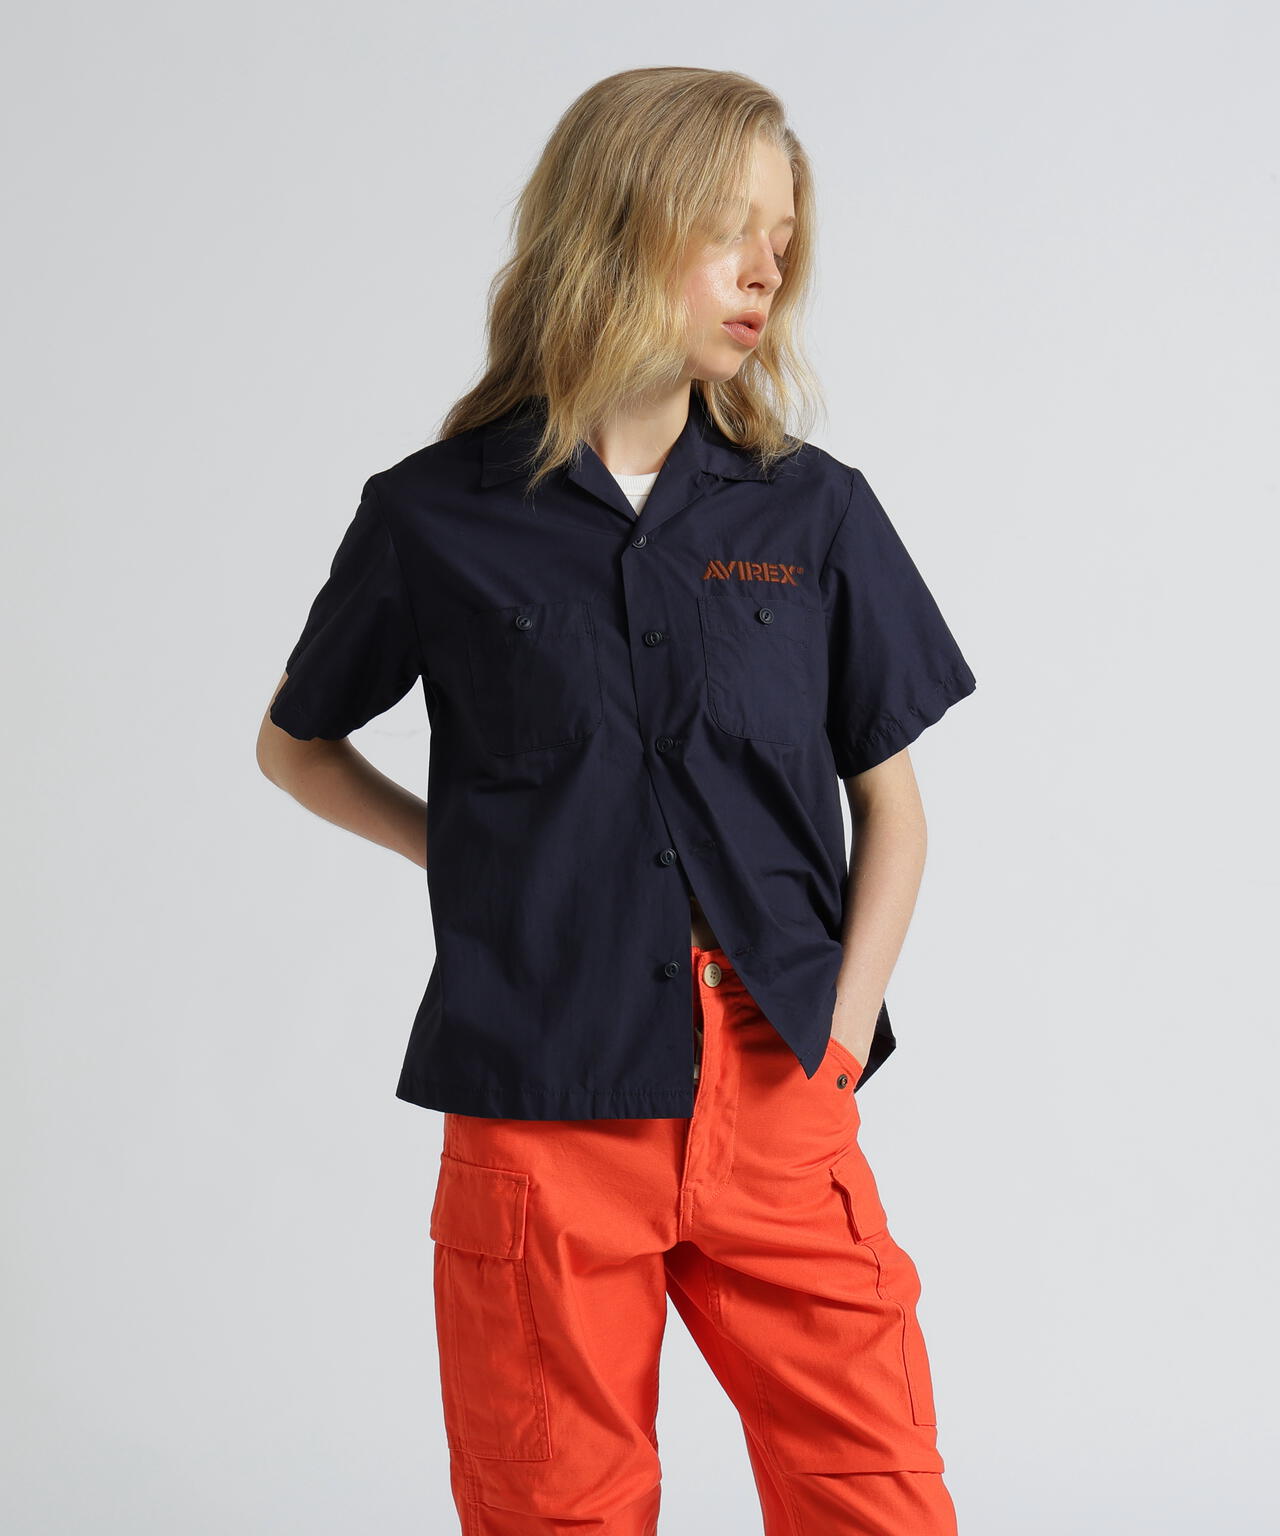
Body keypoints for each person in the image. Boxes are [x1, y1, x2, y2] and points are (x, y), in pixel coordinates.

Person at [258, 66, 978, 1536]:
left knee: (877, 1496)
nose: (767, 269)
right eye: (730, 228)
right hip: (542, 1097)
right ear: (615, 227)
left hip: (777, 1083)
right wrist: (460, 854)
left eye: (783, 238)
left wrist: (839, 1043)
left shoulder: (815, 510)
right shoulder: (435, 515)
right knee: (555, 1510)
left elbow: (893, 810)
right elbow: (297, 745)